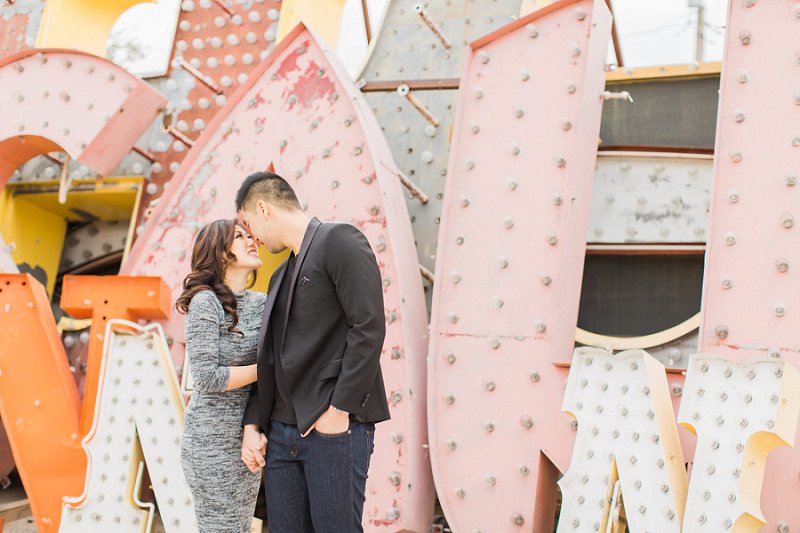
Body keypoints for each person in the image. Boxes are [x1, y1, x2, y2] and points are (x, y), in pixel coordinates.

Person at [235, 171, 390, 533]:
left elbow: (368, 328)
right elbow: (270, 358)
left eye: (249, 224)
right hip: (282, 436)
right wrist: (253, 423)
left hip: (333, 429)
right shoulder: (278, 276)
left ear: (263, 208)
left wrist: (338, 411)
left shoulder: (339, 240)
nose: (252, 236)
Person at [176, 219, 265, 532]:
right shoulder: (205, 302)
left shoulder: (262, 303)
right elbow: (206, 378)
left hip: (247, 443)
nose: (251, 240)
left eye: (250, 235)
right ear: (220, 252)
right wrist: (267, 370)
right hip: (211, 444)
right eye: (239, 237)